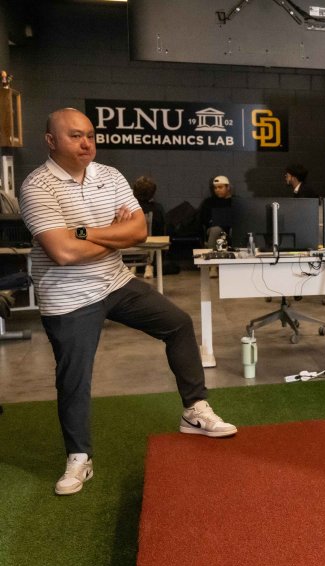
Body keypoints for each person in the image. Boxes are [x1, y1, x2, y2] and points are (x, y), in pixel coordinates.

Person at [19, 108, 238, 496]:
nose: (86, 143)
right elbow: (62, 253)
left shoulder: (110, 175)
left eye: (90, 135)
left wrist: (83, 232)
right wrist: (112, 233)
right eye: (75, 136)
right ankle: (79, 457)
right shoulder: (38, 187)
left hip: (116, 282)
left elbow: (137, 232)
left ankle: (194, 410)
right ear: (51, 141)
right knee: (74, 378)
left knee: (178, 323)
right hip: (68, 296)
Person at [199, 175, 233, 249]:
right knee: (216, 229)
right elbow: (203, 220)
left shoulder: (236, 202)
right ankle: (211, 252)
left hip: (232, 228)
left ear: (228, 187)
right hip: (214, 228)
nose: (217, 190)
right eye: (215, 188)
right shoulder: (209, 202)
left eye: (220, 187)